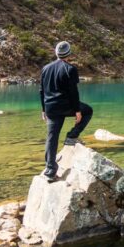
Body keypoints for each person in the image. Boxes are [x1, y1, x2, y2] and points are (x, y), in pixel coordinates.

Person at [39, 41, 93, 182]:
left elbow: (42, 91)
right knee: (87, 111)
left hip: (50, 107)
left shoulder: (45, 68)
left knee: (52, 137)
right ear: (69, 54)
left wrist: (43, 109)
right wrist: (77, 111)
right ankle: (72, 136)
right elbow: (73, 92)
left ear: (56, 53)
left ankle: (50, 171)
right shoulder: (70, 69)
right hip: (66, 106)